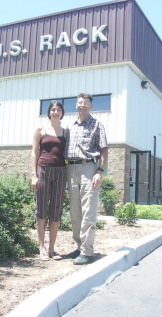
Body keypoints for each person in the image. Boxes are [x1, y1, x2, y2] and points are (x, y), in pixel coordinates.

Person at [64, 93, 108, 265]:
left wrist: (99, 171)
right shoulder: (70, 126)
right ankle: (79, 247)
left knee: (88, 210)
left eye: (85, 103)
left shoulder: (97, 125)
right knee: (75, 212)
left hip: (88, 168)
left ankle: (87, 252)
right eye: (79, 102)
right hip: (70, 168)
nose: (82, 105)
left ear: (90, 106)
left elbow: (104, 150)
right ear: (76, 105)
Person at [31, 101, 67, 261]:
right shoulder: (41, 129)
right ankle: (42, 248)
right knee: (42, 211)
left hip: (61, 173)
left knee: (56, 211)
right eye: (53, 109)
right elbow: (34, 153)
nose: (55, 112)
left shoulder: (66, 132)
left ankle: (52, 249)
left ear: (62, 113)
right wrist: (34, 175)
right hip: (43, 171)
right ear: (49, 112)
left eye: (58, 109)